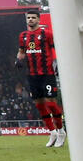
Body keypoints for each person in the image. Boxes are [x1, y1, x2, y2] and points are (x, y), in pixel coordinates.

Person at [16, 10, 66, 148]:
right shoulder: (23, 36)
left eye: (33, 18)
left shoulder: (47, 34)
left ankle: (61, 131)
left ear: (38, 20)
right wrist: (18, 60)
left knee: (50, 103)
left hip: (47, 73)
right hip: (32, 75)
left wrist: (58, 64)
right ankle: (52, 132)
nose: (30, 20)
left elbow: (58, 49)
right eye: (28, 18)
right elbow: (21, 52)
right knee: (39, 105)